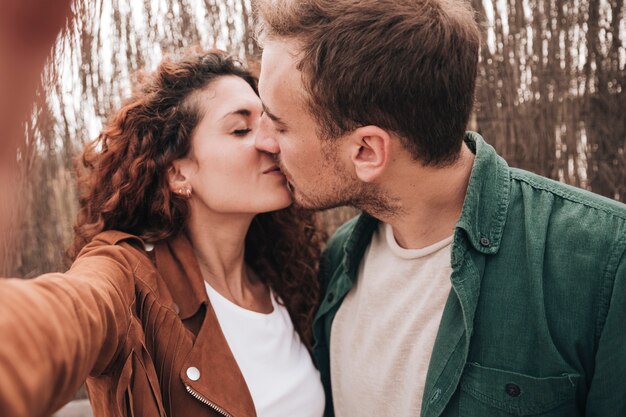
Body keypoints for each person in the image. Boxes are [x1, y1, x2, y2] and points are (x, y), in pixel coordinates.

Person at [253, 0, 626, 416]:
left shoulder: (603, 265)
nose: (264, 140)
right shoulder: (338, 261)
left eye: (279, 124)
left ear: (366, 150)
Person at [0, 49, 326, 417]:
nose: (271, 143)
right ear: (178, 173)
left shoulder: (290, 277)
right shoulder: (130, 277)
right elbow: (66, 313)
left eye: (269, 124)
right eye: (240, 129)